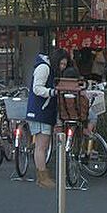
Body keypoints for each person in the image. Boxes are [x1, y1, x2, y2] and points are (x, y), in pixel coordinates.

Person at [26, 49, 68, 189]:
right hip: (39, 111)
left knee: (42, 146)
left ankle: (42, 176)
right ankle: (42, 177)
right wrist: (53, 92)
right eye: (61, 63)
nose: (62, 67)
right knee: (41, 146)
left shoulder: (48, 68)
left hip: (43, 111)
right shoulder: (44, 67)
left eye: (64, 64)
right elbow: (37, 88)